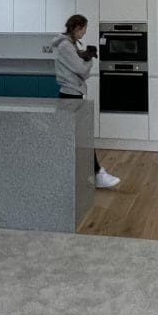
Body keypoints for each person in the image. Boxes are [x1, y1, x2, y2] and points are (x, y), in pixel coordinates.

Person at [52, 14, 120, 189]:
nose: (85, 33)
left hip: (73, 94)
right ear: (77, 28)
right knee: (81, 137)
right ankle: (98, 174)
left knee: (76, 137)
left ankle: (86, 174)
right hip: (70, 96)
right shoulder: (66, 45)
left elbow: (79, 67)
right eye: (84, 29)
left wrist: (83, 55)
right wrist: (88, 59)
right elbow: (82, 70)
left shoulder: (71, 44)